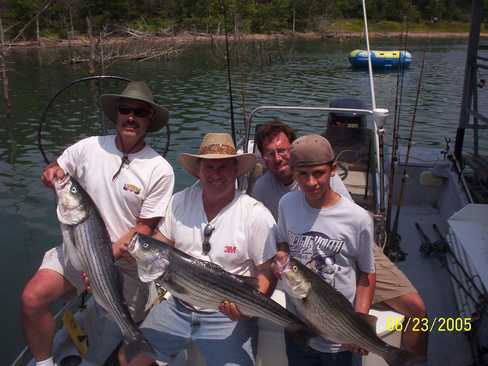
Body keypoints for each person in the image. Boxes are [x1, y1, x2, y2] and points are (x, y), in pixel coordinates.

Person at [21, 81, 175, 366]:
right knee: (32, 299)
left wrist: (101, 262)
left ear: (149, 119)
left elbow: (144, 229)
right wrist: (52, 174)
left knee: (128, 332)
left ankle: (134, 337)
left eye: (139, 112)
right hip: (76, 247)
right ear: (116, 114)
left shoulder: (159, 169)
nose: (131, 117)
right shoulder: (88, 147)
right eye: (125, 110)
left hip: (126, 262)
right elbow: (57, 169)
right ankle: (43, 363)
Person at [252, 119, 427, 358]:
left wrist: (358, 318)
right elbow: (275, 237)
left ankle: (414, 361)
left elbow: (349, 231)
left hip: (346, 247)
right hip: (301, 257)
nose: (278, 158)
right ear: (262, 158)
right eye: (270, 153)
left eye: (282, 150)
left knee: (417, 309)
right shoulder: (264, 190)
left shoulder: (330, 186)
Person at [119, 132, 278, 366]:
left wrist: (246, 310)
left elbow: (267, 272)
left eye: (223, 167)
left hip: (227, 315)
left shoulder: (256, 214)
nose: (215, 175)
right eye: (209, 168)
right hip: (178, 305)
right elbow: (162, 245)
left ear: (236, 170)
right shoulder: (179, 202)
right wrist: (136, 255)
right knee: (129, 357)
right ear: (199, 171)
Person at [274, 134, 375, 365]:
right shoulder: (286, 205)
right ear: (293, 172)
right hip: (299, 333)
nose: (311, 182)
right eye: (303, 174)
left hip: (341, 342)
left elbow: (367, 274)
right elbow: (283, 242)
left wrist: (358, 328)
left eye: (318, 173)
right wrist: (281, 254)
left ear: (333, 169)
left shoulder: (357, 218)